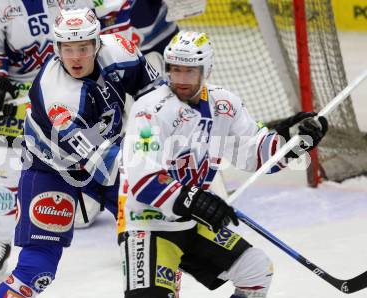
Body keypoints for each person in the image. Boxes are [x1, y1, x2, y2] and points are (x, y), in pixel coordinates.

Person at [117, 31, 328, 298]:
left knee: (256, 271)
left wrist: (293, 142)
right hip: (148, 224)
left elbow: (254, 153)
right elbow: (143, 179)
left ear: (206, 70)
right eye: (175, 70)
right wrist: (197, 201)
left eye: (190, 72)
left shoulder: (224, 105)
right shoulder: (151, 109)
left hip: (193, 222)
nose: (180, 79)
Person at [0, 8, 159, 297]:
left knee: (157, 237)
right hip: (50, 167)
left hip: (106, 151)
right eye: (67, 49)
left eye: (83, 47)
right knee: (37, 269)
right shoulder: (57, 94)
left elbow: (157, 96)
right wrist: (153, 175)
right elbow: (100, 161)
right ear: (57, 48)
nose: (75, 57)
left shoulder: (121, 51)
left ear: (98, 43)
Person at [0, 0, 138, 275]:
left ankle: (133, 235)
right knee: (2, 167)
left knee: (107, 167)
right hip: (20, 93)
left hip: (80, 90)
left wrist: (114, 65)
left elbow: (114, 14)